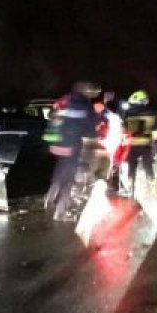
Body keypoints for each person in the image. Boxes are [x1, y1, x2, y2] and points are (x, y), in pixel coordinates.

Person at [45, 81, 100, 221]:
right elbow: (90, 130)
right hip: (71, 145)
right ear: (86, 92)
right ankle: (61, 212)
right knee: (69, 178)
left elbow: (51, 115)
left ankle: (49, 200)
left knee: (59, 172)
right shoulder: (84, 105)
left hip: (56, 143)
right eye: (92, 92)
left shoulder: (64, 99)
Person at [122, 90, 157, 193]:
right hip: (146, 143)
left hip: (132, 143)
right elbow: (156, 129)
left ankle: (130, 187)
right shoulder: (152, 112)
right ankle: (151, 187)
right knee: (148, 166)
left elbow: (124, 129)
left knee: (131, 166)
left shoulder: (128, 113)